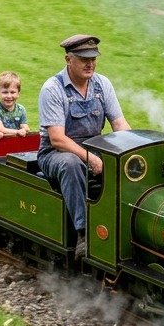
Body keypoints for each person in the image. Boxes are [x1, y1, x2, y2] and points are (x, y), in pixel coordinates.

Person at [37, 34, 130, 256]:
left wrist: (131, 150)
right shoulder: (52, 89)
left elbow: (119, 123)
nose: (90, 64)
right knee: (71, 164)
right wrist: (90, 158)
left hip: (93, 148)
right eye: (83, 59)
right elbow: (57, 139)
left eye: (93, 58)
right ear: (68, 59)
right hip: (55, 152)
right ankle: (83, 233)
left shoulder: (102, 84)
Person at [0, 71, 29, 137]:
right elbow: (0, 129)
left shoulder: (21, 109)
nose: (9, 96)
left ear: (18, 93)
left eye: (12, 92)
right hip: (0, 142)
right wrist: (17, 132)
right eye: (5, 92)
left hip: (16, 141)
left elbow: (24, 126)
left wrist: (24, 129)